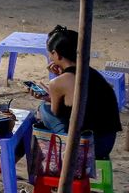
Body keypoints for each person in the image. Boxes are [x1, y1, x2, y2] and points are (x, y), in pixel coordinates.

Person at [31, 25, 121, 160]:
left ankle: (13, 162)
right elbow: (79, 104)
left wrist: (51, 95)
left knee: (42, 110)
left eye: (49, 53)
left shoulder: (59, 82)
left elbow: (56, 114)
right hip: (107, 143)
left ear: (56, 54)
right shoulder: (91, 73)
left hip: (87, 146)